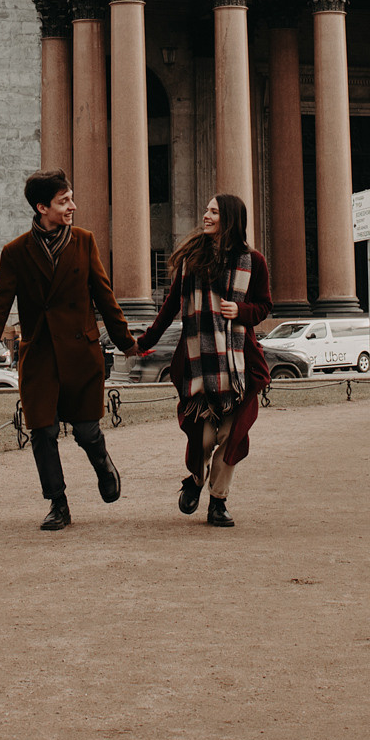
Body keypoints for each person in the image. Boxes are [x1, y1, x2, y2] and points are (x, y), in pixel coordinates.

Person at [0, 169, 138, 531]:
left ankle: (103, 464)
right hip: (40, 356)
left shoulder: (85, 241)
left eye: (71, 199)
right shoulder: (15, 252)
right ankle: (58, 503)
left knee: (86, 431)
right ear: (42, 207)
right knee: (42, 432)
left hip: (81, 354)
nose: (72, 206)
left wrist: (127, 342)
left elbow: (104, 298)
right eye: (64, 201)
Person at [130, 193, 272, 528]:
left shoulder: (254, 261)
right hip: (198, 365)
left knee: (232, 435)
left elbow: (265, 306)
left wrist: (242, 311)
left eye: (213, 212)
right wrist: (144, 342)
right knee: (204, 437)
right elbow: (170, 307)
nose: (205, 216)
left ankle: (218, 502)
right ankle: (195, 479)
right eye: (206, 210)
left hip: (239, 368)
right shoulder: (192, 259)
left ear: (230, 220)